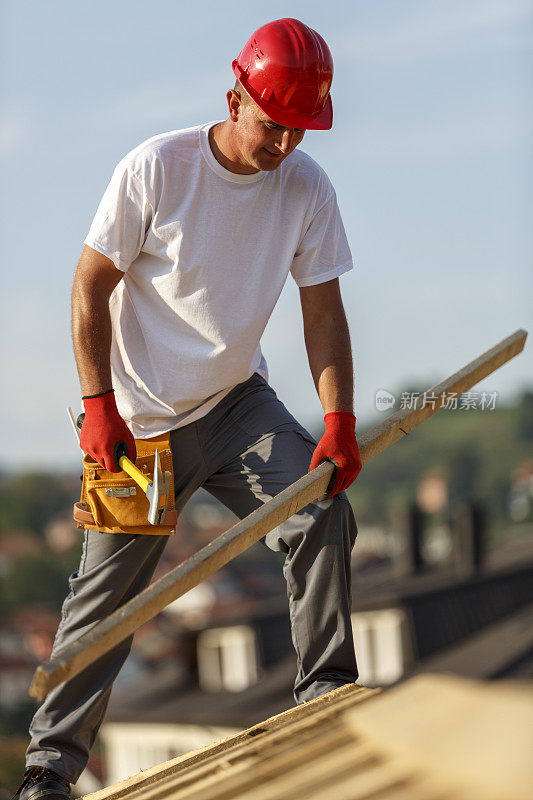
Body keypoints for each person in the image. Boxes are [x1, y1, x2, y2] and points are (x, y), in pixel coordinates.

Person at [15, 17, 362, 800]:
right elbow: (88, 286)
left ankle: (326, 696)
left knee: (318, 511)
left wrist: (336, 416)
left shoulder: (306, 187)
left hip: (238, 403)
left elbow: (322, 313)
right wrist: (97, 403)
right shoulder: (158, 168)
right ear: (234, 96)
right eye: (273, 126)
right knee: (107, 601)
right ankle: (49, 771)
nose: (283, 146)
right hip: (136, 421)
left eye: (300, 131)